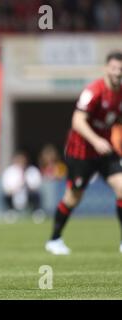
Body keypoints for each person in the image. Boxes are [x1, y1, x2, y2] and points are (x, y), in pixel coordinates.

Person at [45, 51, 122, 255]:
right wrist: (96, 140)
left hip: (105, 151)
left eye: (120, 70)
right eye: (114, 68)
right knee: (73, 197)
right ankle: (54, 239)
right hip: (81, 152)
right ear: (106, 68)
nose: (117, 73)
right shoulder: (94, 91)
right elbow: (77, 121)